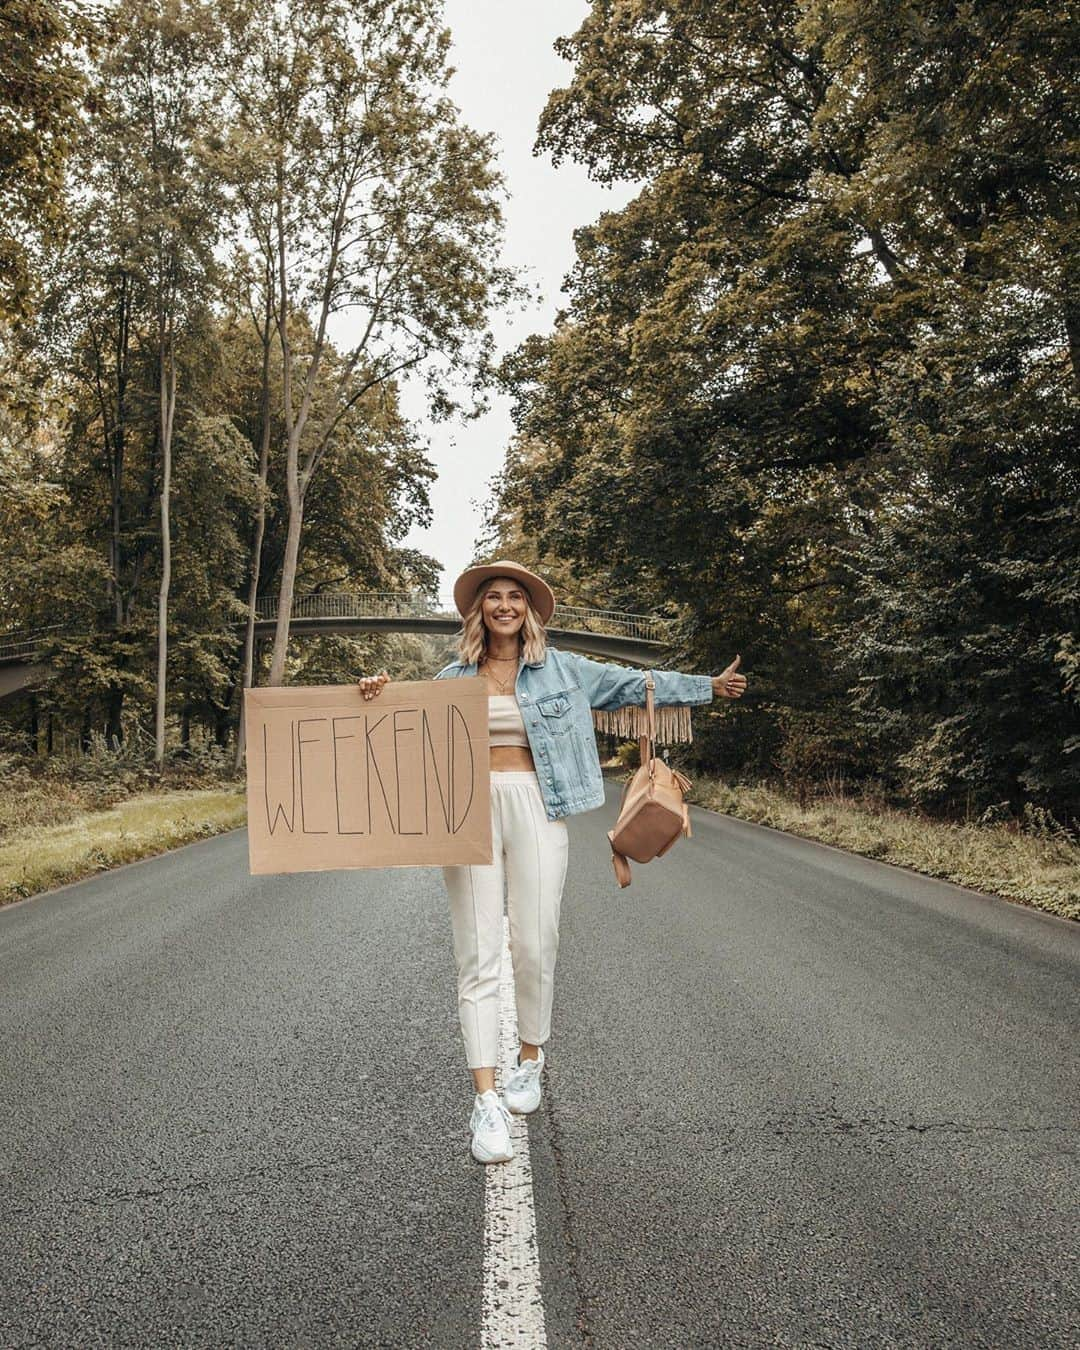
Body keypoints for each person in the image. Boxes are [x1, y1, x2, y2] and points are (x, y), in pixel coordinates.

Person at [358, 560, 747, 1164]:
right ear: (478, 610)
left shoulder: (565, 669)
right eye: (494, 597)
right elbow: (397, 730)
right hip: (464, 811)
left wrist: (707, 687)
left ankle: (530, 1059)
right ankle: (486, 1099)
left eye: (516, 596)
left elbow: (633, 684)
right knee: (477, 950)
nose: (505, 605)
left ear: (530, 609)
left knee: (535, 940)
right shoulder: (451, 675)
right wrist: (373, 696)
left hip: (539, 803)